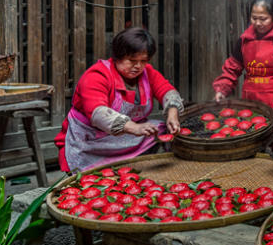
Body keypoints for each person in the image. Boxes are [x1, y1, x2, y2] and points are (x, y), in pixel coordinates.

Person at [55, 27, 183, 172]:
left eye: (143, 61)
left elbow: (166, 90)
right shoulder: (97, 75)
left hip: (126, 137)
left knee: (159, 128)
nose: (138, 66)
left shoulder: (147, 73)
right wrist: (135, 127)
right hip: (91, 142)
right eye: (132, 60)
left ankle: (139, 167)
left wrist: (173, 114)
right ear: (117, 56)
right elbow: (98, 113)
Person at [213, 0, 273, 120]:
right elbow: (232, 69)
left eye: (263, 19)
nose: (257, 23)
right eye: (254, 18)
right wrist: (222, 90)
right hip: (250, 104)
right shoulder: (244, 39)